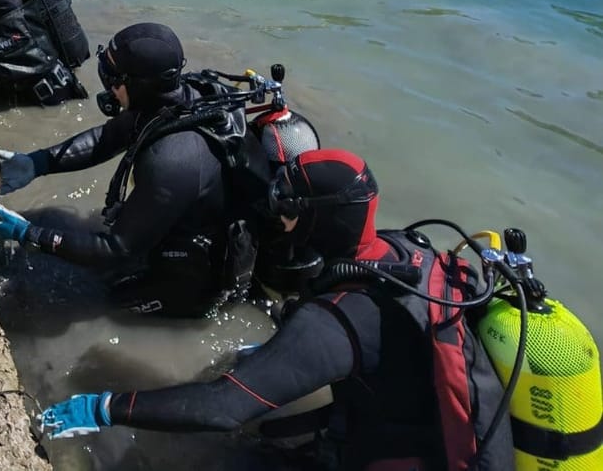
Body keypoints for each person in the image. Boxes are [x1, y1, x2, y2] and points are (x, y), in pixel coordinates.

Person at [36, 148, 515, 470]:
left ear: (316, 220)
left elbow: (220, 408)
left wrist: (107, 405)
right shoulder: (402, 254)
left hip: (407, 457)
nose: (281, 222)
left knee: (221, 452)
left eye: (290, 210)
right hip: (420, 423)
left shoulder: (335, 319)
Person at [0, 22, 287, 316]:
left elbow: (115, 248)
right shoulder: (182, 97)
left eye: (113, 78)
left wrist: (28, 232)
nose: (108, 85)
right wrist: (37, 162)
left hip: (194, 278)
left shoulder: (172, 161)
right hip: (181, 227)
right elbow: (108, 136)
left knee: (87, 298)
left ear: (137, 84)